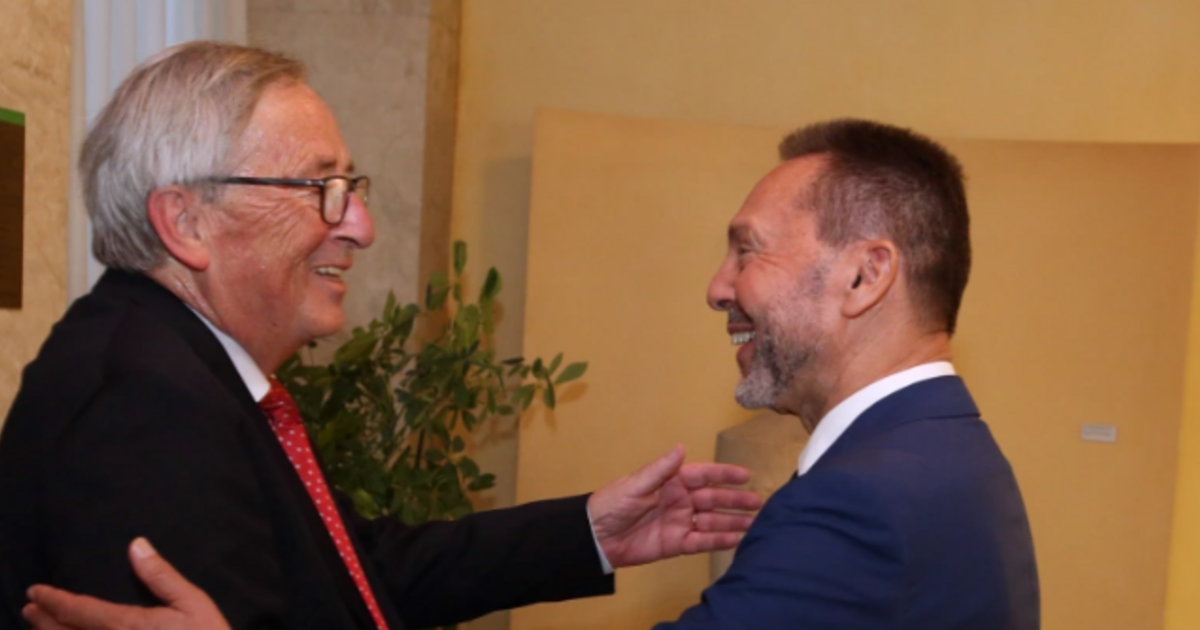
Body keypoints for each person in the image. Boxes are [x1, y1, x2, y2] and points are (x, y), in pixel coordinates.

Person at [0, 41, 762, 630]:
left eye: (350, 188)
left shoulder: (183, 366)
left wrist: (587, 533)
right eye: (321, 188)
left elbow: (353, 573)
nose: (359, 226)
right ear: (186, 222)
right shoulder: (145, 405)